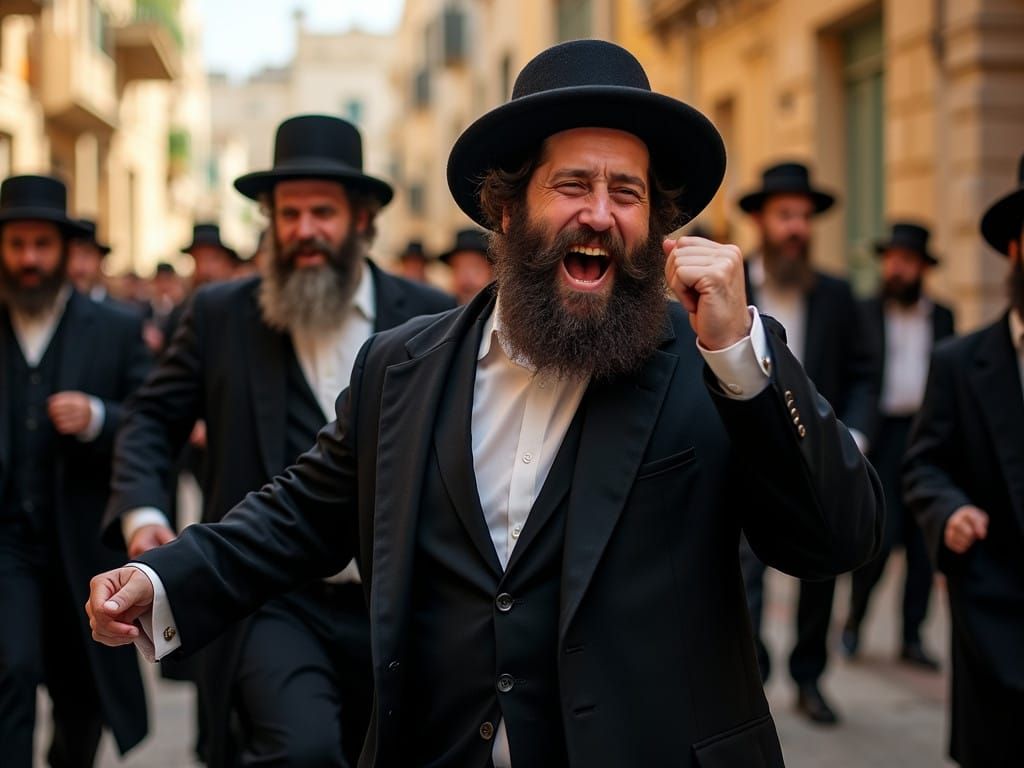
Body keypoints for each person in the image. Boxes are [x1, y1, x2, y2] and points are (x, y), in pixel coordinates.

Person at [89, 41, 882, 767]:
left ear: (657, 225)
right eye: (572, 184)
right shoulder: (402, 366)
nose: (600, 213)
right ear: (506, 209)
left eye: (627, 193)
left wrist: (740, 360)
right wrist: (158, 580)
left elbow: (838, 537)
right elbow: (297, 516)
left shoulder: (719, 360)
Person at [100, 114, 453, 768]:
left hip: (401, 605)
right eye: (288, 214)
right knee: (303, 750)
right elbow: (151, 419)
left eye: (323, 212)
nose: (304, 231)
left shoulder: (431, 316)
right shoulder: (219, 316)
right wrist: (145, 517)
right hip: (272, 601)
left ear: (364, 219)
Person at [0, 175, 151, 766]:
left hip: (83, 543)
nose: (29, 258)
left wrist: (98, 417)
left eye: (41, 244)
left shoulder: (112, 327)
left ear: (64, 250)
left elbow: (147, 419)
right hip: (7, 542)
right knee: (10, 670)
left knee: (80, 692)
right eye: (16, 245)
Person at [737, 161, 879, 724]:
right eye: (785, 216)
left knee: (820, 578)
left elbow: (866, 372)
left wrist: (856, 435)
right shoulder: (727, 282)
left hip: (814, 463)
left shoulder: (837, 295)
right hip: (744, 462)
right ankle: (751, 675)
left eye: (804, 217)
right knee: (742, 581)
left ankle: (809, 677)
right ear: (761, 221)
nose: (796, 227)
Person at [904, 154, 1024, 767]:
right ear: (1015, 247)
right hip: (997, 614)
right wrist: (948, 510)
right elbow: (924, 465)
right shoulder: (961, 363)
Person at [841, 222, 954, 670]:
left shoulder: (942, 316)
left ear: (923, 267)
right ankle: (854, 622)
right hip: (880, 436)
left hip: (926, 434)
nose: (897, 269)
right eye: (892, 260)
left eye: (906, 262)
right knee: (879, 540)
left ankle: (912, 635)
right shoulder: (864, 312)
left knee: (925, 544)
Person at [67, 218, 116, 304]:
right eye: (70, 255)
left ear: (100, 259)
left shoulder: (121, 313)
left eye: (86, 255)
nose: (77, 265)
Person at [440, 227, 493, 304]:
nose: (466, 277)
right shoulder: (440, 309)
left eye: (475, 267)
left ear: (491, 271)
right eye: (458, 267)